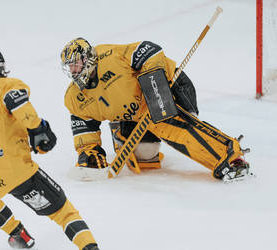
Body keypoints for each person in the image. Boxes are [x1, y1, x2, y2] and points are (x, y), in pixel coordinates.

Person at [0, 49, 100, 250]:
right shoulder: (6, 86)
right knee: (64, 212)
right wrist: (39, 130)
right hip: (14, 174)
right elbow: (18, 105)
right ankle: (90, 247)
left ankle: (17, 235)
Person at [60, 37, 251, 182]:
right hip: (136, 113)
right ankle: (119, 129)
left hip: (171, 86)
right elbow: (84, 128)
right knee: (144, 155)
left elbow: (149, 49)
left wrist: (154, 85)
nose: (74, 71)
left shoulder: (110, 56)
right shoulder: (75, 97)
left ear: (89, 58)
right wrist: (89, 152)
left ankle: (229, 157)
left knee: (180, 128)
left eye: (76, 64)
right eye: (70, 67)